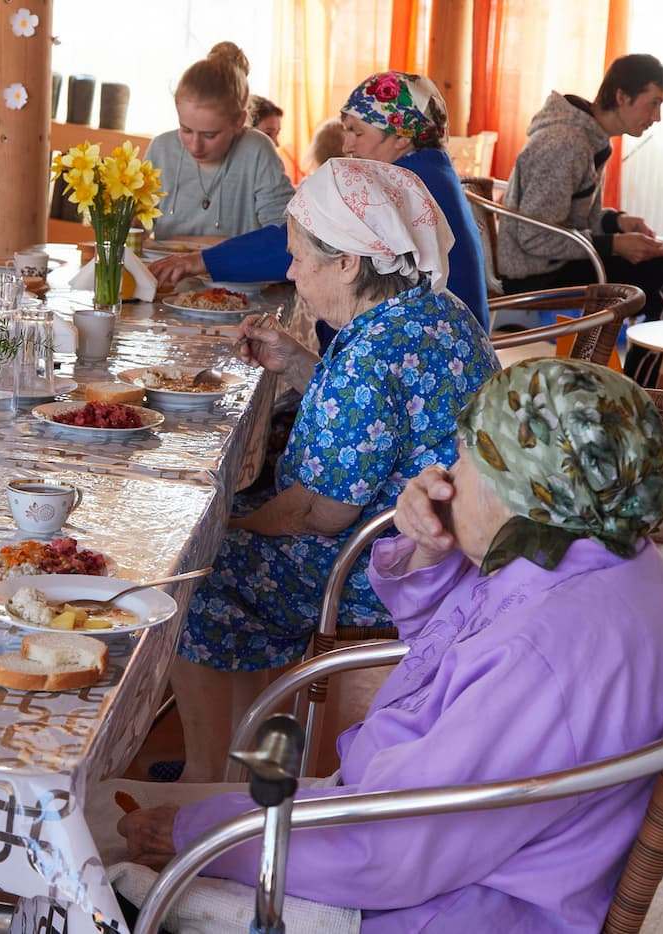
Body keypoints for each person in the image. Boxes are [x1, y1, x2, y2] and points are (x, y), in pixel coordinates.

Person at [120, 357, 663, 932]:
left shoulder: (545, 655)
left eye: (464, 459)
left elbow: (386, 854)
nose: (446, 478)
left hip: (440, 904)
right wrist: (432, 552)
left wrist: (193, 832)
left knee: (97, 861)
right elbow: (451, 654)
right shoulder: (590, 550)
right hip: (421, 838)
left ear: (519, 486)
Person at [167, 158, 499, 783]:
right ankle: (251, 757)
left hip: (387, 563)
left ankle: (206, 778)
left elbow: (321, 511)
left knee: (196, 573)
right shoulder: (434, 311)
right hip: (453, 545)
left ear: (348, 262)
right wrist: (298, 363)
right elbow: (382, 426)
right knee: (235, 540)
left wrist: (234, 527)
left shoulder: (370, 355)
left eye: (297, 256)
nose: (290, 271)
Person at [151, 72, 491, 339]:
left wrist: (201, 261)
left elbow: (309, 243)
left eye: (357, 132)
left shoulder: (403, 184)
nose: (346, 145)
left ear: (402, 137)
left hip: (423, 360)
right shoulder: (428, 171)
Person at [498, 53, 663, 387]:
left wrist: (616, 223)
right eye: (654, 103)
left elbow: (573, 219)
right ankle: (643, 399)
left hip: (557, 259)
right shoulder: (565, 143)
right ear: (622, 96)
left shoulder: (590, 139)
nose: (658, 117)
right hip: (535, 271)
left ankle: (633, 392)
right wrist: (614, 244)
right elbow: (533, 236)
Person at [144, 42, 294, 240]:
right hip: (165, 269)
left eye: (209, 135)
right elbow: (137, 226)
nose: (195, 146)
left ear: (239, 122)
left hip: (235, 270)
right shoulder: (161, 149)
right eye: (186, 130)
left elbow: (285, 234)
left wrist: (204, 259)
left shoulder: (257, 151)